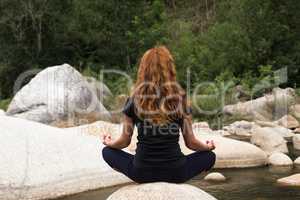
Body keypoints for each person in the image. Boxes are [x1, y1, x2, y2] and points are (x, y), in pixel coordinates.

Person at [102, 46, 216, 183]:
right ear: (170, 70)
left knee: (107, 152)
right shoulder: (180, 99)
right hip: (176, 172)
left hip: (141, 172)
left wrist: (110, 143)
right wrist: (207, 147)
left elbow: (125, 141)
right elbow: (191, 143)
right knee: (210, 156)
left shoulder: (134, 100)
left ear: (143, 70)